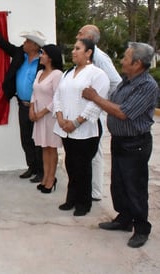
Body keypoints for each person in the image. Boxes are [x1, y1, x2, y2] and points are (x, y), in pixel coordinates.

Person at [82, 42, 159, 248]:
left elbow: (123, 112)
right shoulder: (127, 81)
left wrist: (95, 97)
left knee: (135, 187)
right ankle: (124, 219)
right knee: (119, 183)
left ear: (138, 63)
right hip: (120, 141)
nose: (122, 61)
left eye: (126, 58)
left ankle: (141, 228)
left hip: (136, 144)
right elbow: (114, 102)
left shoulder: (147, 86)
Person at [53, 39, 109, 216]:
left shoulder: (97, 74)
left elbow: (96, 104)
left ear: (89, 52)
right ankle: (71, 198)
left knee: (82, 166)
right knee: (70, 163)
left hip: (85, 131)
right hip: (65, 128)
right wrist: (61, 118)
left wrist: (76, 122)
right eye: (73, 48)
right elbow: (58, 97)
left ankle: (84, 203)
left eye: (78, 48)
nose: (73, 51)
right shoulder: (68, 73)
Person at [0, 15, 44, 183]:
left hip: (39, 107)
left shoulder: (44, 59)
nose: (24, 43)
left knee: (39, 140)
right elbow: (4, 44)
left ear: (34, 45)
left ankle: (41, 171)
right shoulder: (20, 53)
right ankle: (32, 167)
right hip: (22, 105)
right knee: (26, 138)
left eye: (27, 41)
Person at [76, 24, 122, 201]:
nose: (77, 35)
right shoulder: (85, 58)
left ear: (90, 38)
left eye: (81, 33)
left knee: (95, 151)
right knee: (86, 150)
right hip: (86, 108)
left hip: (98, 109)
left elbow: (116, 82)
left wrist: (102, 101)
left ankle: (95, 192)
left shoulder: (100, 58)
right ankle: (86, 187)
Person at [29, 44, 63, 193]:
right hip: (38, 116)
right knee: (44, 147)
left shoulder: (57, 75)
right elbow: (34, 93)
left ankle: (51, 178)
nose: (40, 56)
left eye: (42, 53)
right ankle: (45, 177)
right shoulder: (39, 73)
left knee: (51, 147)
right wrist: (31, 109)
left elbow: (58, 98)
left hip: (50, 116)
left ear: (50, 57)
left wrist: (42, 112)